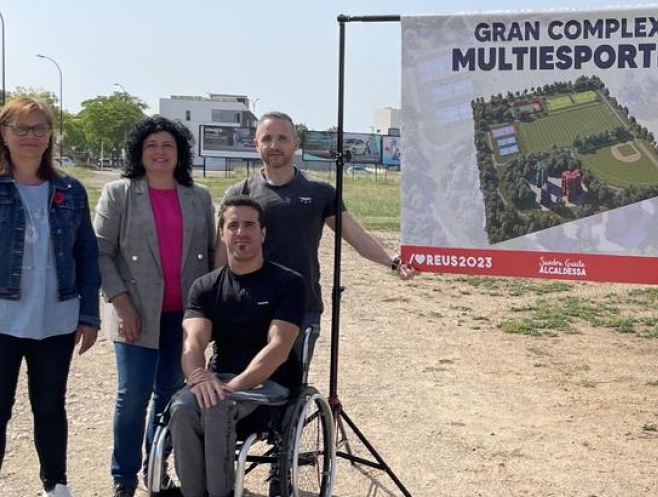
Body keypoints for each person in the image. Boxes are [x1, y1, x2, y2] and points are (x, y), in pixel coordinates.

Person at [0, 96, 101, 497]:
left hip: (56, 319)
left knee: (50, 407)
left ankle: (56, 484)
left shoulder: (71, 190)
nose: (31, 136)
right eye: (21, 128)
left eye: (40, 128)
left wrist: (89, 315)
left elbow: (87, 256)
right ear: (4, 134)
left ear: (50, 136)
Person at [219, 111, 417, 351]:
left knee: (291, 386)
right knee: (242, 385)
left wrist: (394, 261)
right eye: (267, 139)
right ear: (255, 144)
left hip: (300, 307)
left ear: (296, 143)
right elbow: (221, 252)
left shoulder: (319, 192)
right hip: (246, 305)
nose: (274, 145)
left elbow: (355, 235)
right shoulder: (239, 193)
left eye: (282, 138)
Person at [94, 115, 217, 497]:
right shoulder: (120, 193)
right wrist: (121, 302)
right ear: (139, 152)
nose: (160, 152)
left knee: (168, 397)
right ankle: (124, 477)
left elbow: (212, 257)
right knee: (132, 397)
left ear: (179, 153)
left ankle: (155, 470)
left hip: (183, 319)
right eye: (152, 145)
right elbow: (101, 252)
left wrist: (210, 314)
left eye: (168, 145)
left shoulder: (199, 197)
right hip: (135, 314)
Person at [169, 196, 307, 497]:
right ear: (222, 233)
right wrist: (198, 377)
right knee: (180, 408)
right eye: (233, 225)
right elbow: (193, 341)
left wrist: (234, 386)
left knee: (217, 406)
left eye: (249, 225)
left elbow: (279, 347)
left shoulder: (289, 283)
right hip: (218, 380)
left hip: (268, 385)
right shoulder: (205, 286)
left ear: (263, 233)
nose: (241, 232)